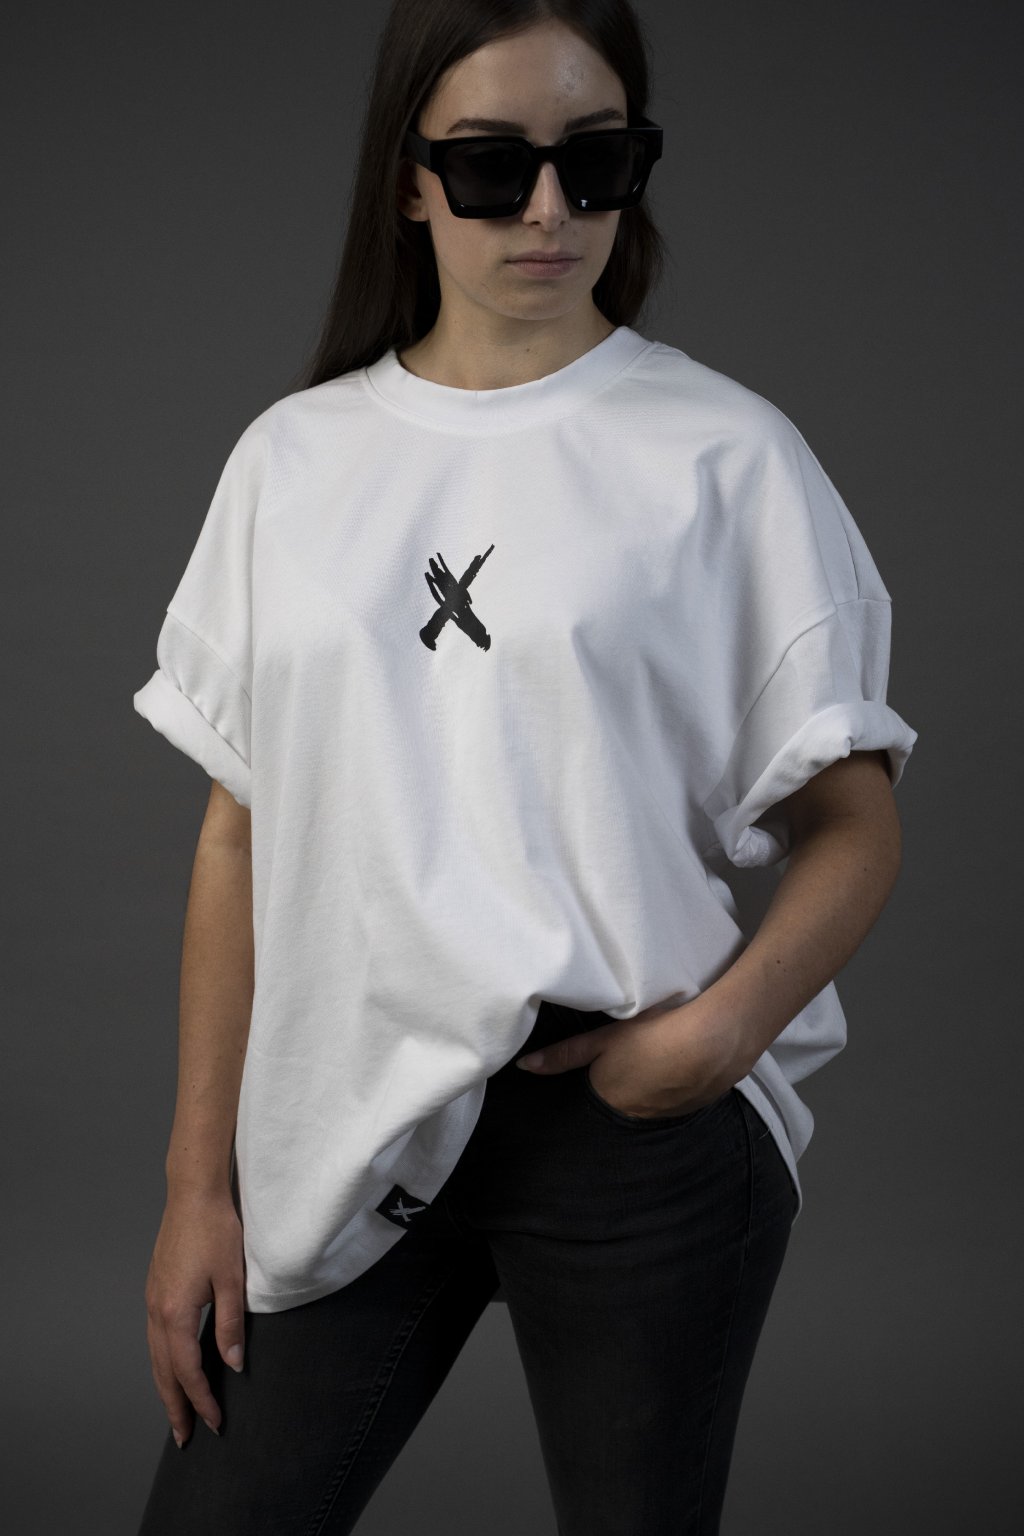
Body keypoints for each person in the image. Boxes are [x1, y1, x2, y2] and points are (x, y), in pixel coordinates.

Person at [131, 2, 917, 1532]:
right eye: (494, 167)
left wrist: (719, 1038)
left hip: (628, 1116)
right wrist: (193, 1188)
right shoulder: (292, 461)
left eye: (596, 160)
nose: (551, 210)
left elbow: (856, 824)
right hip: (345, 1109)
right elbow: (238, 836)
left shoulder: (727, 456)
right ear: (410, 179)